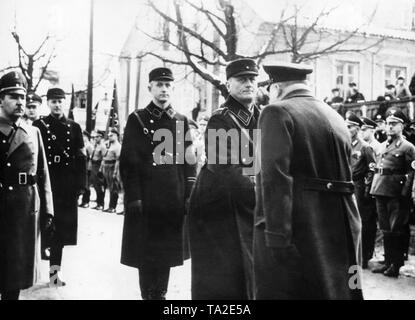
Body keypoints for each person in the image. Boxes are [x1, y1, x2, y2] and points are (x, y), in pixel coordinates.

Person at [254, 61, 363, 299]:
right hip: (341, 226)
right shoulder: (335, 116)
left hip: (300, 227)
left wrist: (276, 236)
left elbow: (274, 179)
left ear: (276, 88)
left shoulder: (276, 112)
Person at [120, 67, 196, 300]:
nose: (163, 89)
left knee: (166, 254)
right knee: (145, 253)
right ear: (150, 88)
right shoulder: (138, 119)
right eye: (159, 85)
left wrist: (188, 195)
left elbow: (189, 162)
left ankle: (159, 295)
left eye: (167, 85)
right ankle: (148, 295)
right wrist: (134, 197)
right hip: (146, 199)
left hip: (172, 197)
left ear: (172, 88)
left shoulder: (181, 120)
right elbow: (128, 162)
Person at [189, 58, 260, 299]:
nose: (248, 84)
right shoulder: (221, 118)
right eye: (242, 80)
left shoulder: (264, 116)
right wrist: (262, 188)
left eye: (252, 79)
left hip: (247, 202)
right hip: (218, 206)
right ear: (228, 85)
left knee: (251, 273)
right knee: (221, 279)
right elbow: (226, 168)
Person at [0, 71, 54, 300]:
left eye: (22, 97)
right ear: (0, 100)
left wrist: (48, 209)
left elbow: (43, 175)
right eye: (13, 96)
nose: (20, 102)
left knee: (16, 276)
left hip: (24, 210)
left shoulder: (33, 132)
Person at [33, 87, 87, 286]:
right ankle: (30, 272)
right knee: (39, 229)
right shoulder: (39, 125)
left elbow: (81, 158)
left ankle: (54, 275)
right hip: (44, 183)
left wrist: (81, 185)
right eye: (53, 101)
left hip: (65, 185)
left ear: (65, 102)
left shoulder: (74, 127)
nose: (57, 104)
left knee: (60, 233)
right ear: (48, 103)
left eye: (60, 101)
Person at [370, 108, 415, 277]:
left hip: (396, 193)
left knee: (396, 229)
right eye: (388, 124)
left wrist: (405, 192)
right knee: (385, 228)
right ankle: (388, 262)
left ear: (402, 126)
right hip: (381, 189)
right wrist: (373, 188)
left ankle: (395, 265)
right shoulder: (382, 146)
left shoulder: (407, 147)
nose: (389, 127)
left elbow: (411, 172)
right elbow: (378, 169)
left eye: (394, 124)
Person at [346, 114, 377, 269]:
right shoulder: (346, 145)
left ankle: (364, 257)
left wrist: (367, 189)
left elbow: (372, 169)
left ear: (357, 129)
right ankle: (351, 254)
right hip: (347, 187)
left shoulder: (365, 147)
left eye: (350, 126)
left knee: (363, 223)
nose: (347, 129)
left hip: (359, 188)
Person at [100, 128, 122, 213]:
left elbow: (118, 160)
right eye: (109, 135)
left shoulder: (118, 147)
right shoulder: (108, 145)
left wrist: (115, 172)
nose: (109, 137)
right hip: (106, 166)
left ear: (116, 136)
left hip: (113, 167)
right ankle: (109, 206)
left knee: (114, 188)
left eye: (111, 135)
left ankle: (113, 207)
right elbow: (104, 156)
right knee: (108, 187)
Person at [90, 130, 107, 210]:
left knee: (99, 186)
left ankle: (101, 204)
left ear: (101, 137)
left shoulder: (102, 146)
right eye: (95, 137)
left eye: (97, 137)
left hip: (98, 166)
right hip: (94, 165)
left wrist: (100, 169)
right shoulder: (96, 145)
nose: (95, 138)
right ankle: (98, 203)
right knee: (95, 185)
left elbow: (104, 158)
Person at [79, 130, 93, 208]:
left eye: (84, 136)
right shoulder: (84, 145)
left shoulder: (89, 146)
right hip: (84, 167)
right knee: (84, 184)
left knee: (87, 185)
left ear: (87, 137)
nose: (82, 138)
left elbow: (91, 157)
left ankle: (86, 201)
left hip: (88, 166)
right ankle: (84, 201)